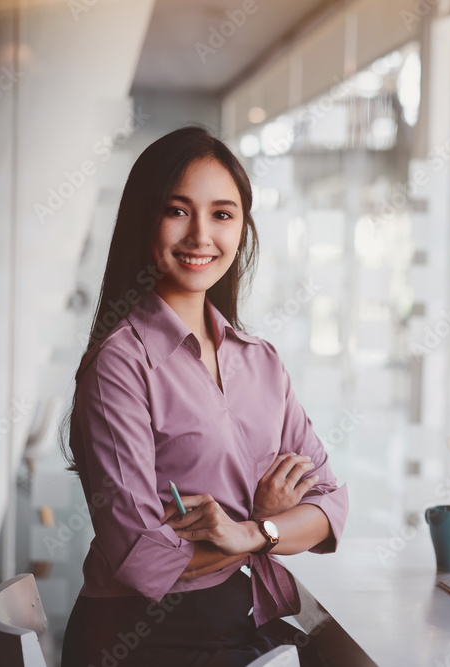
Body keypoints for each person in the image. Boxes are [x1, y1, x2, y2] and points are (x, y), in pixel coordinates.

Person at [59, 126, 348, 666]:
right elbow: (141, 556)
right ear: (144, 220)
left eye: (222, 213)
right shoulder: (120, 364)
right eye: (177, 210)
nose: (200, 236)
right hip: (142, 638)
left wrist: (251, 531)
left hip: (235, 621)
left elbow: (330, 504)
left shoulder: (261, 361)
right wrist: (265, 531)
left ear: (243, 227)